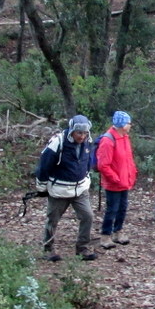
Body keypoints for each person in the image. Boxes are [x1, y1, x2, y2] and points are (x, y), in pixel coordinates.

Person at [36, 115, 96, 262]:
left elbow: (88, 161)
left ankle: (82, 248)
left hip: (80, 189)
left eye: (85, 133)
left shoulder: (88, 141)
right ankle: (48, 249)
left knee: (88, 216)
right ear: (71, 131)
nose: (82, 136)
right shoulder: (58, 142)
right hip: (59, 190)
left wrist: (87, 176)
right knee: (53, 219)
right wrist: (42, 187)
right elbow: (44, 165)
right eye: (79, 133)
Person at [97, 111, 137, 249]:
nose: (130, 125)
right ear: (122, 124)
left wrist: (132, 174)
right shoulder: (108, 140)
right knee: (112, 209)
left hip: (124, 181)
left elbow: (128, 160)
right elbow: (103, 165)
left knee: (122, 208)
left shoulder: (125, 137)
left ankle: (118, 232)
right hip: (114, 183)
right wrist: (115, 178)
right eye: (128, 122)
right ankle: (105, 235)